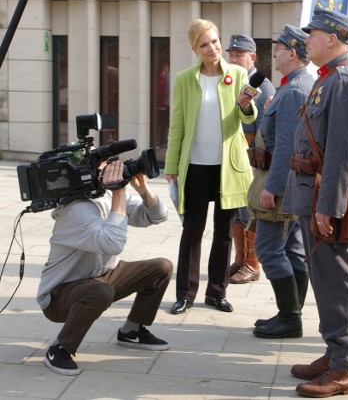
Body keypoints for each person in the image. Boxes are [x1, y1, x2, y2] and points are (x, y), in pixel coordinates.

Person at [285, 8, 348, 397]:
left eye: (314, 34)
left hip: (327, 200)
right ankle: (333, 352)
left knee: (337, 280)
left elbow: (344, 152)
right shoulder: (329, 80)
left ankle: (342, 367)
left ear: (333, 38)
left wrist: (329, 206)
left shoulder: (347, 81)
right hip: (314, 195)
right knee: (324, 278)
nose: (307, 40)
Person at [37, 159, 173, 376]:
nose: (112, 169)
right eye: (104, 167)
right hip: (60, 295)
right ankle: (60, 349)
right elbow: (113, 242)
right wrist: (118, 191)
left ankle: (131, 331)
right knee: (100, 292)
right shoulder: (76, 210)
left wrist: (142, 188)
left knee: (161, 267)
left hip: (100, 276)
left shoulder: (105, 196)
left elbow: (157, 216)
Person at [165, 19, 257, 315]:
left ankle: (216, 292)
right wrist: (171, 166)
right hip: (194, 166)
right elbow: (177, 125)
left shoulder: (238, 74)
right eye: (204, 44)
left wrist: (245, 105)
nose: (212, 48)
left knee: (224, 232)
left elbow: (248, 117)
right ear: (195, 48)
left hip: (228, 166)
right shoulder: (184, 79)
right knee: (191, 230)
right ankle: (185, 293)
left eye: (215, 41)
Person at [250, 25, 314, 339]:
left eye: (278, 48)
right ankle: (292, 313)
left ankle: (290, 317)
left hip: (281, 183)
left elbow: (287, 145)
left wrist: (272, 188)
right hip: (289, 182)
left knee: (268, 248)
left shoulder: (294, 90)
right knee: (292, 249)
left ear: (291, 53)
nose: (274, 53)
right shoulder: (293, 85)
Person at [226, 33, 276, 285]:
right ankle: (239, 259)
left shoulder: (261, 86)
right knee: (236, 211)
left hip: (252, 159)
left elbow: (262, 132)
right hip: (234, 158)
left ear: (252, 57)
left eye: (239, 55)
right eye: (231, 54)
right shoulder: (231, 82)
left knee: (248, 212)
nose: (233, 59)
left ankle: (252, 264)